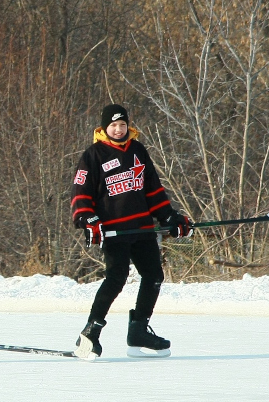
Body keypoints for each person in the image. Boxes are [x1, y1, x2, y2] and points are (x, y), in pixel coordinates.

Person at [70, 103, 192, 359]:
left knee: (154, 275)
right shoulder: (93, 155)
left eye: (122, 124)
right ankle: (90, 332)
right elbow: (81, 193)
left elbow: (153, 190)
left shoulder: (137, 150)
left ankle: (138, 331)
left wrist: (170, 217)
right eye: (113, 125)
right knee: (116, 278)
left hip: (142, 228)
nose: (118, 129)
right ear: (104, 127)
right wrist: (88, 218)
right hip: (115, 231)